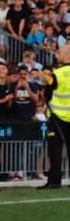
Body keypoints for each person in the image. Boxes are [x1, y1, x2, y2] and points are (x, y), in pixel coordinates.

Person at [39, 44, 70, 189]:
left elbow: (47, 94)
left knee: (55, 150)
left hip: (58, 118)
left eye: (60, 52)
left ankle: (54, 181)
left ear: (67, 56)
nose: (57, 55)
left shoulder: (56, 74)